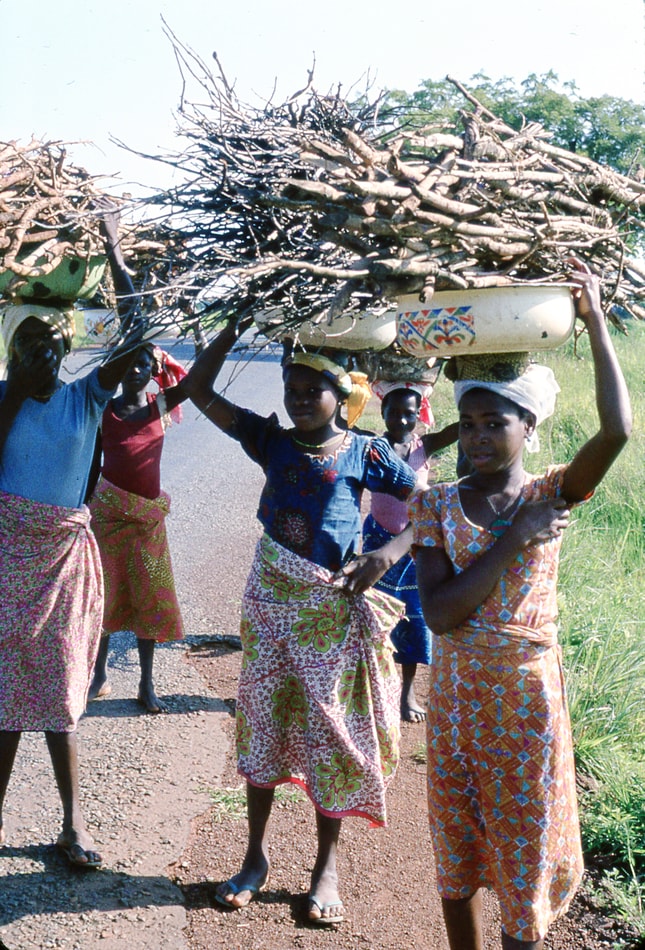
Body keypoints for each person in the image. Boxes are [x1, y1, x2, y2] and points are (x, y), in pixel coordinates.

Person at [409, 260, 632, 950]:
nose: (475, 435)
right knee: (456, 834)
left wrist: (594, 320)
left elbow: (616, 432)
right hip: (456, 698)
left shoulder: (552, 492)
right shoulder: (434, 504)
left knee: (524, 837)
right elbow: (440, 613)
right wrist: (513, 541)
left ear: (526, 425)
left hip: (525, 702)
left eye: (492, 421)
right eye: (467, 421)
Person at [182, 330, 419, 925]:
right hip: (271, 597)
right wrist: (231, 328)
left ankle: (325, 869)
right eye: (292, 388)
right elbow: (195, 388)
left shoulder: (367, 452)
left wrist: (385, 556)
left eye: (314, 390)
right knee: (263, 718)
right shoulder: (270, 440)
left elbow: (432, 505)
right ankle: (254, 857)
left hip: (329, 607)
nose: (299, 399)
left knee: (333, 731)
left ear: (343, 397)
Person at [0, 211, 144, 868]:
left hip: (60, 564)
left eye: (52, 345)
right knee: (3, 700)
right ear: (8, 350)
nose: (44, 356)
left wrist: (113, 245)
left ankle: (72, 823)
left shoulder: (84, 399)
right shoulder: (0, 399)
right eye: (29, 345)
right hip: (7, 561)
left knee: (60, 696)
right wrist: (12, 397)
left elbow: (139, 338)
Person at [87, 342, 187, 713]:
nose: (134, 370)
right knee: (104, 599)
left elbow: (194, 384)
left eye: (143, 364)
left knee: (150, 598)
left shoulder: (160, 406)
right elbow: (93, 465)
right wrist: (83, 507)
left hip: (147, 521)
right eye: (127, 363)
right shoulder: (105, 411)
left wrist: (170, 360)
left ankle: (146, 682)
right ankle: (99, 676)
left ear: (152, 370)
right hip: (107, 518)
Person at [362, 379, 459, 721]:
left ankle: (406, 692)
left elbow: (460, 427)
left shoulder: (424, 445)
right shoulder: (372, 446)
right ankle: (376, 689)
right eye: (394, 413)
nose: (402, 421)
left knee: (414, 621)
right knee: (376, 617)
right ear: (383, 411)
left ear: (420, 414)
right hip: (378, 542)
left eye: (409, 414)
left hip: (417, 544)